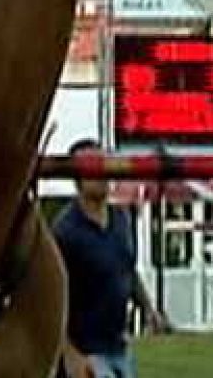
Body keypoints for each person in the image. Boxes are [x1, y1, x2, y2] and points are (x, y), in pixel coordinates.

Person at [53, 139, 170, 378]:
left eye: (105, 168)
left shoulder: (121, 219)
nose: (103, 176)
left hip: (118, 347)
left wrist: (148, 309)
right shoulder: (65, 231)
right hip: (86, 351)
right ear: (78, 179)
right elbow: (53, 296)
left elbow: (126, 268)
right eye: (95, 170)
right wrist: (69, 352)